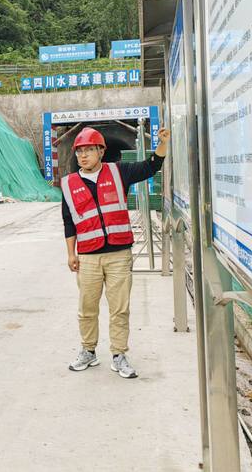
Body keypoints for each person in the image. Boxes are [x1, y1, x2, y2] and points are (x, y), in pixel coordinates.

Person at [62, 127, 171, 378]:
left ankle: (119, 354)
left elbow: (149, 166)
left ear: (101, 151)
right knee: (87, 307)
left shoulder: (118, 172)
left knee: (119, 308)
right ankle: (88, 351)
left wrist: (162, 145)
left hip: (119, 254)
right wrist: (71, 253)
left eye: (89, 150)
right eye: (79, 151)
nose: (84, 155)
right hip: (88, 255)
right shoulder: (69, 184)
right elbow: (68, 221)